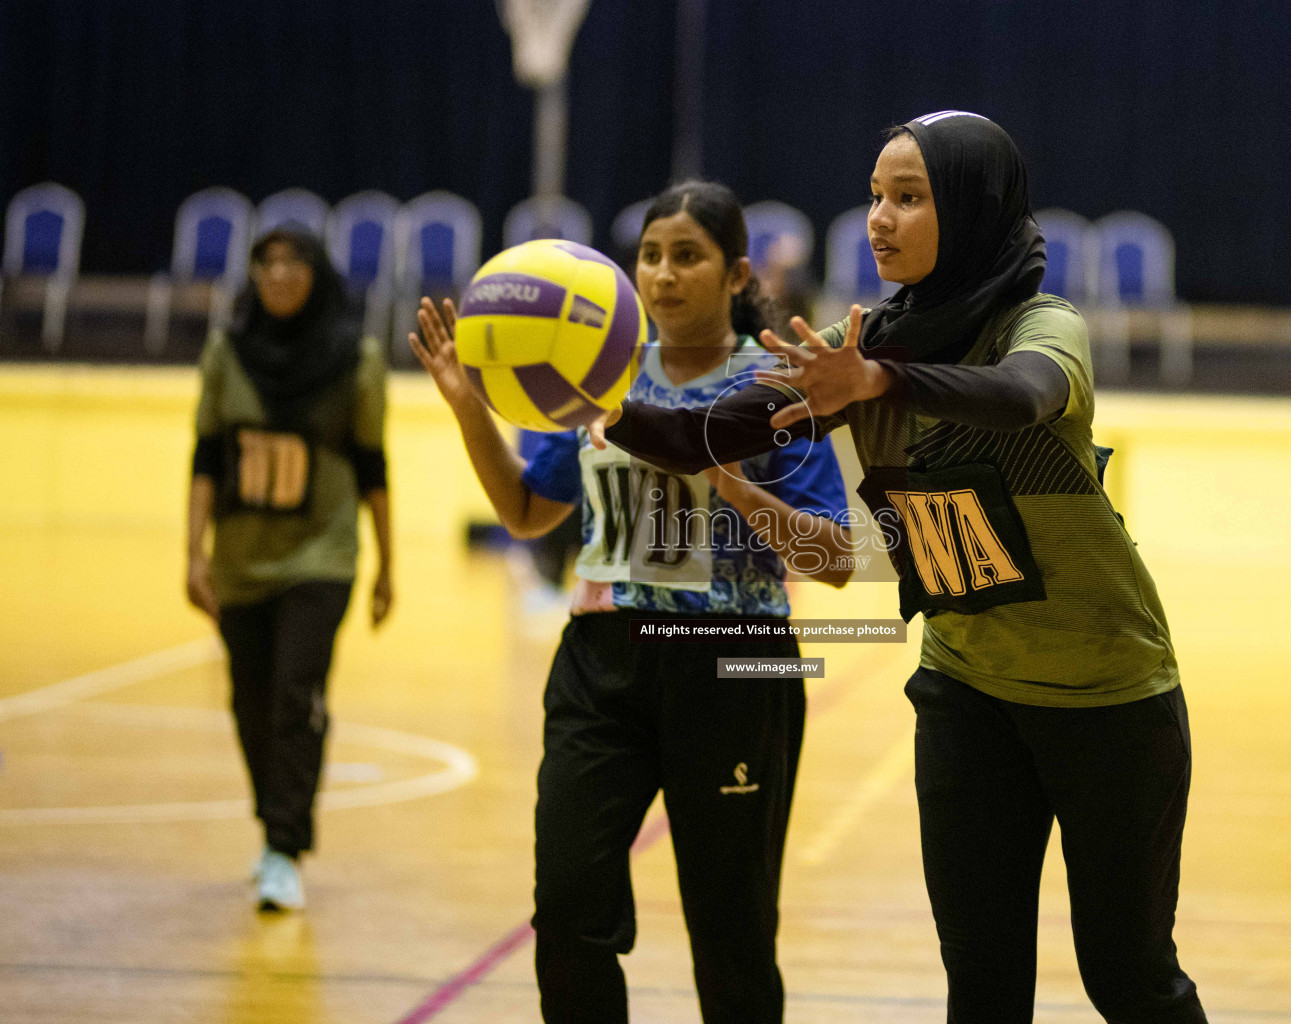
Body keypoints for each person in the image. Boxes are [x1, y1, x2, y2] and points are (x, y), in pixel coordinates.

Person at [591, 113, 1207, 1022]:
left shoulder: (1042, 326)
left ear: (972, 209)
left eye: (909, 198)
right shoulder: (860, 342)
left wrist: (885, 382)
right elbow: (699, 437)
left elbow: (1023, 396)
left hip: (1108, 698)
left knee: (1127, 977)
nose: (879, 217)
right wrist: (583, 387)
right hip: (966, 693)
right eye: (876, 195)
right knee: (983, 982)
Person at [410, 181, 853, 1024]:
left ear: (735, 274)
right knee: (569, 908)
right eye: (650, 255)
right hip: (602, 664)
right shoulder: (588, 380)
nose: (662, 274)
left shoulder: (776, 388)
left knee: (733, 933)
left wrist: (734, 487)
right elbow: (525, 512)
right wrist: (470, 407)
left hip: (737, 663)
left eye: (687, 256)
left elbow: (835, 560)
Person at [185, 226, 392, 913]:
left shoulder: (354, 357)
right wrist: (193, 551)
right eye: (265, 263)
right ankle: (272, 826)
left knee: (294, 693)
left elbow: (372, 464)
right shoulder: (227, 352)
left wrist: (388, 563)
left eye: (292, 262)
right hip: (242, 557)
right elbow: (206, 456)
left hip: (321, 556)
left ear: (316, 274)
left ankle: (285, 845)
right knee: (249, 702)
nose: (278, 275)